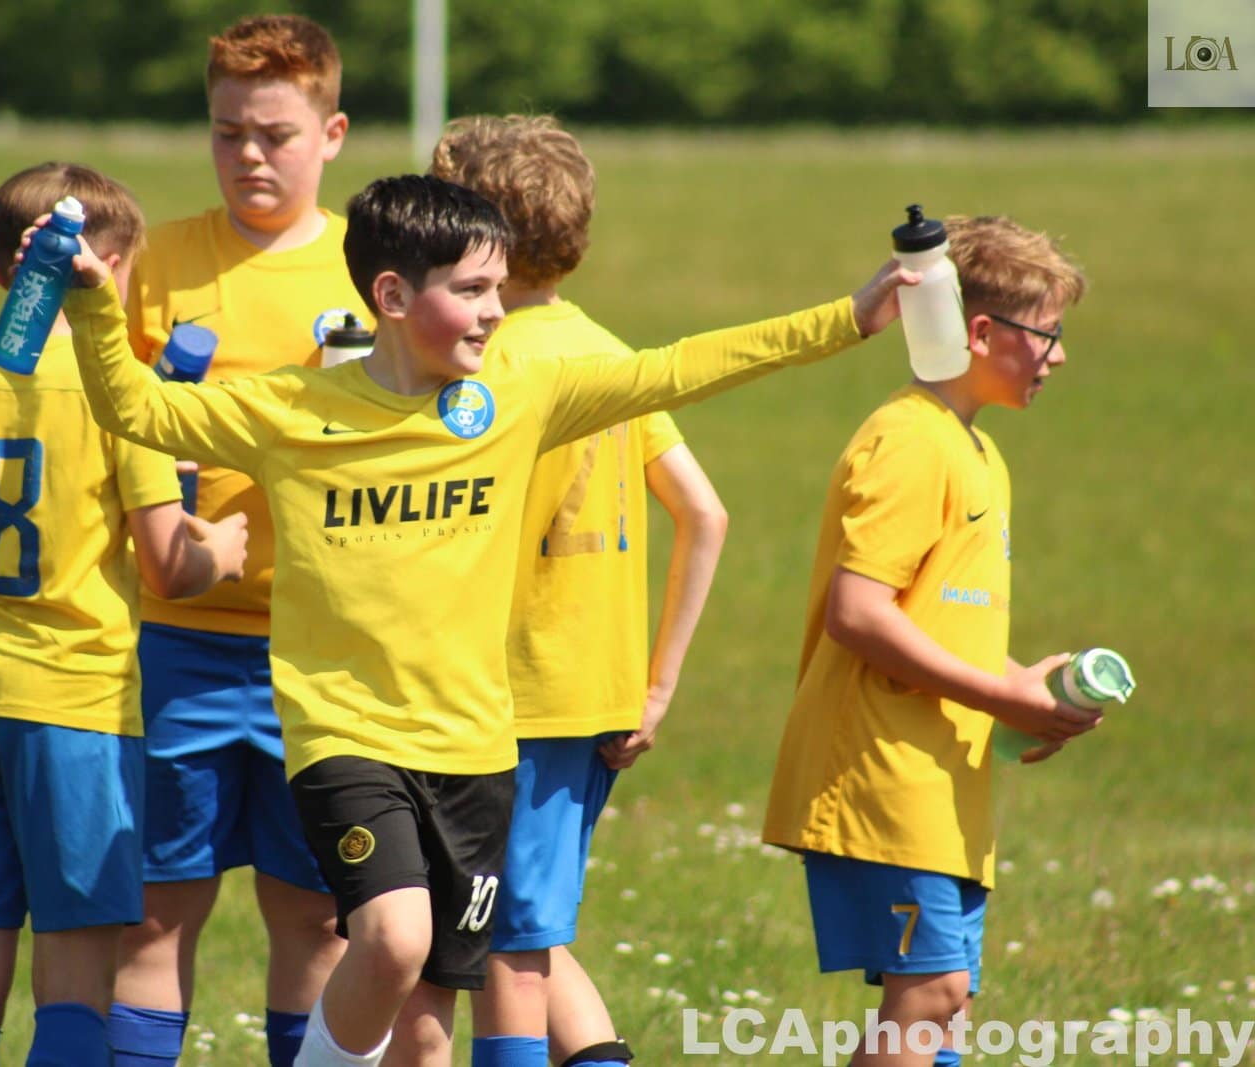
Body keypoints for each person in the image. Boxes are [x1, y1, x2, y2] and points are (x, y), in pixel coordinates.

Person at [51, 172, 910, 1067]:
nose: (496, 310)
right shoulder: (294, 410)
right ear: (392, 296)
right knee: (393, 936)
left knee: (426, 1030)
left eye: (498, 287)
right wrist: (97, 307)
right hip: (347, 736)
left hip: (474, 752)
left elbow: (682, 365)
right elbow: (136, 408)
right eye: (470, 289)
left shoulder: (516, 399)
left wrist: (846, 319)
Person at [0, 160, 248, 1067]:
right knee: (75, 989)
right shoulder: (127, 396)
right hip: (78, 709)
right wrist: (223, 551)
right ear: (107, 274)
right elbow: (168, 567)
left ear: (4, 268)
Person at [760, 215, 1099, 1067]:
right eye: (1046, 333)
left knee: (950, 1009)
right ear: (980, 331)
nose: (1058, 356)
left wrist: (1028, 696)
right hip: (881, 772)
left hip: (945, 783)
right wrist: (998, 691)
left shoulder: (976, 451)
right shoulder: (909, 441)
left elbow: (936, 618)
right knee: (932, 993)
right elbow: (858, 612)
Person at [425, 114, 726, 1067]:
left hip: (501, 691)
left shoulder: (484, 364)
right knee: (529, 922)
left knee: (502, 946)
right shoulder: (611, 351)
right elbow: (705, 513)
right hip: (595, 691)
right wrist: (657, 685)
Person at [109, 16, 367, 1066]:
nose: (249, 156)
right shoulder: (160, 259)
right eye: (227, 134)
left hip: (324, 650)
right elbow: (114, 418)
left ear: (333, 133)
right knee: (157, 911)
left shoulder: (369, 266)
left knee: (314, 916)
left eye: (275, 134)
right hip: (182, 638)